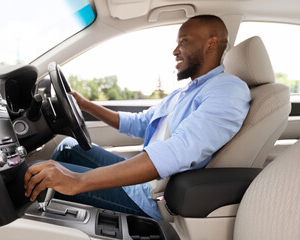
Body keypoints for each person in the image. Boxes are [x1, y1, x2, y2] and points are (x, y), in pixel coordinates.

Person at [24, 15, 251, 220]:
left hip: (153, 196)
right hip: (145, 180)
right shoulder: (185, 92)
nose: (175, 50)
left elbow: (180, 150)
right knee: (67, 147)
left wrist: (78, 181)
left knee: (39, 175)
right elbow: (139, 123)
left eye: (183, 41)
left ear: (211, 43)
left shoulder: (228, 90)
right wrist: (85, 105)